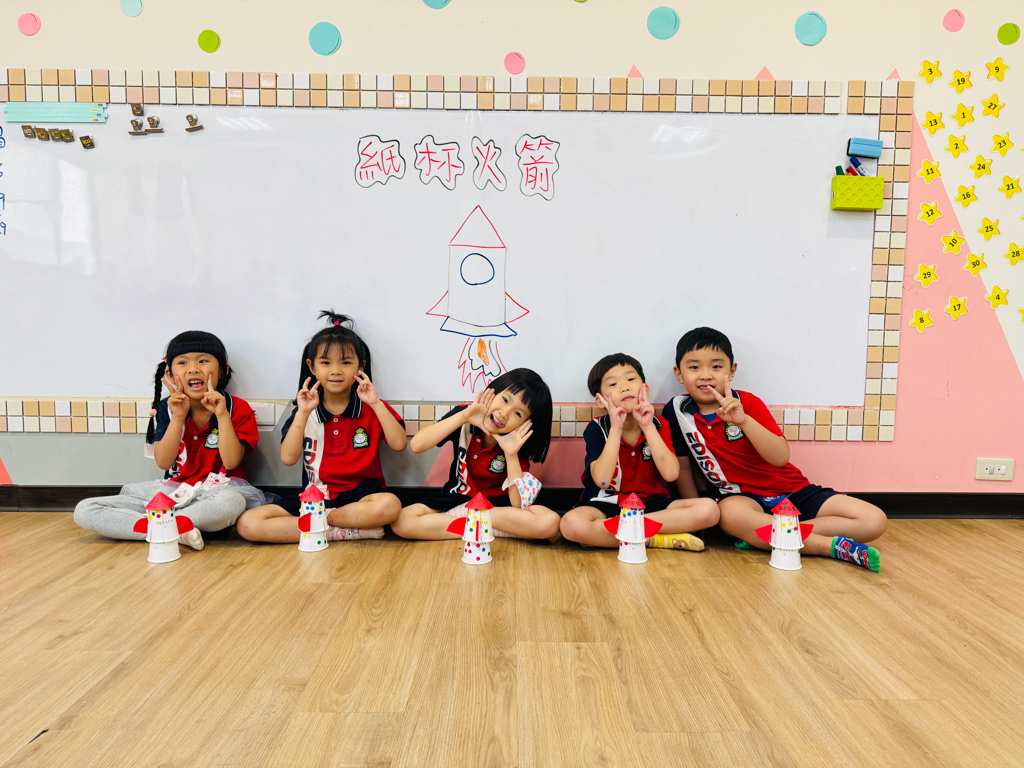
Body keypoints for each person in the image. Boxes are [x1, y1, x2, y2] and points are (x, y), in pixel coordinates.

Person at [663, 327, 887, 571]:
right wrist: (696, 518)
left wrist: (744, 421)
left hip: (792, 490)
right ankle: (828, 546)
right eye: (694, 367)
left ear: (732, 370)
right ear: (679, 374)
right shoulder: (676, 411)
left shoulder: (748, 403)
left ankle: (763, 536)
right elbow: (684, 468)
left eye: (716, 366)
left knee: (874, 520)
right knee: (730, 515)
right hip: (741, 499)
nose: (706, 375)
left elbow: (780, 458)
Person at [74, 330, 264, 550]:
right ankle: (177, 529)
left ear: (224, 370)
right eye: (182, 363)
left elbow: (231, 462)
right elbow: (163, 462)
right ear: (170, 374)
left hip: (217, 494)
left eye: (203, 361)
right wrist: (178, 417)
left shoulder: (237, 408)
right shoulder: (167, 408)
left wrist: (221, 415)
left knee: (232, 502)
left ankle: (163, 527)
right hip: (173, 493)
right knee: (86, 509)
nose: (193, 368)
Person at [236, 311, 405, 543]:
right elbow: (288, 458)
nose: (336, 370)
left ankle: (321, 525)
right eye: (326, 363)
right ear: (312, 367)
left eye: (346, 363)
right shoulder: (304, 410)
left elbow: (399, 443)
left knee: (389, 505)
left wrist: (376, 404)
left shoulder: (373, 406)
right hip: (313, 498)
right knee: (248, 523)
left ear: (361, 366)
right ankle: (340, 530)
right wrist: (302, 413)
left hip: (361, 497)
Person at [559, 353, 719, 550]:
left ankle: (620, 534)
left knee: (709, 510)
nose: (624, 387)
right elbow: (602, 481)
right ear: (600, 401)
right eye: (613, 384)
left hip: (650, 505)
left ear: (645, 389)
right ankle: (656, 539)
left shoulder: (658, 424)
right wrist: (616, 429)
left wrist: (648, 426)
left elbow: (671, 474)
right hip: (605, 503)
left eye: (631, 379)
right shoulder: (597, 428)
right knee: (571, 524)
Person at [392, 368, 560, 540]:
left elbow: (517, 504)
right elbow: (417, 445)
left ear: (525, 423)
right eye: (504, 400)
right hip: (457, 497)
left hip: (502, 508)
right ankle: (487, 528)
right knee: (402, 522)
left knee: (549, 523)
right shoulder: (467, 414)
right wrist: (463, 417)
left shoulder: (518, 439)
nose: (504, 413)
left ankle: (471, 521)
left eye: (518, 414)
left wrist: (511, 454)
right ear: (493, 391)